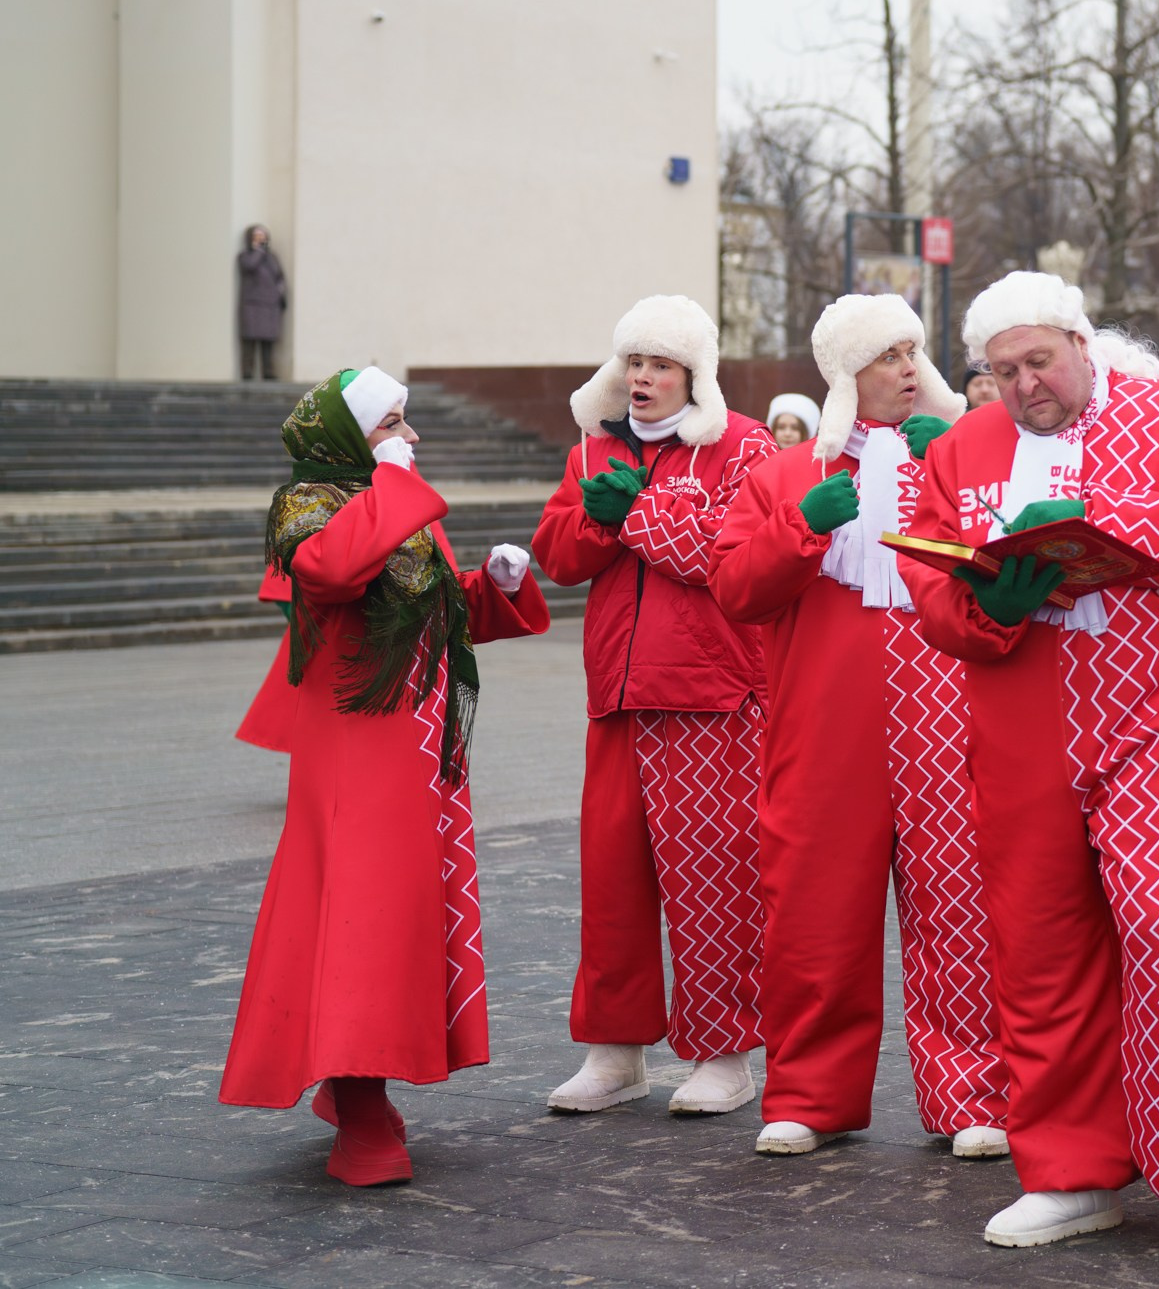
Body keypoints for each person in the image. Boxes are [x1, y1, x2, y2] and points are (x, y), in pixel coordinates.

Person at [899, 271, 1159, 1265]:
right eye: (1003, 370)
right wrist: (995, 603)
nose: (1024, 384)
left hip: (1156, 715)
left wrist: (1097, 525)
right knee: (1038, 949)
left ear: (1080, 343)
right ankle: (1069, 1171)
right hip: (1022, 726)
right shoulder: (963, 449)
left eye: (1039, 361)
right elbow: (932, 589)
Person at [220, 368, 549, 1184]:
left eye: (407, 419)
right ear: (347, 434)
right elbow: (333, 573)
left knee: (399, 921)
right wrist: (395, 486)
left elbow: (433, 607)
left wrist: (496, 587)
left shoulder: (388, 505)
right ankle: (359, 1107)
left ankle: (356, 1084)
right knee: (359, 925)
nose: (410, 436)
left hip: (419, 754)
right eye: (391, 421)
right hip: (356, 756)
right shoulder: (311, 506)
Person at [708, 296, 1006, 1158]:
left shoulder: (956, 460)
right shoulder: (788, 471)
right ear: (846, 373)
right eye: (887, 355)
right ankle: (809, 1092)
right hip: (824, 719)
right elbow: (734, 590)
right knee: (813, 902)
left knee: (958, 895)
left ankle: (975, 1091)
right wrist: (805, 524)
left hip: (945, 712)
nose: (909, 368)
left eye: (914, 351)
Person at [532, 295, 777, 1119]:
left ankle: (723, 1051)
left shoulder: (743, 445)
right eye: (634, 360)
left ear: (694, 373)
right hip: (619, 694)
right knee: (613, 882)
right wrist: (605, 521)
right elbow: (558, 554)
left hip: (711, 695)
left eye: (660, 363)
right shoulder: (596, 445)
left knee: (713, 879)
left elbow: (733, 558)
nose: (642, 377)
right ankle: (615, 1049)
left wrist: (633, 513)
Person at [237, 225, 288, 381]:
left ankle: (268, 372)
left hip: (270, 304)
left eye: (263, 235)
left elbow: (278, 275)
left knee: (268, 341)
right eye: (257, 235)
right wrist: (258, 251)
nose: (261, 238)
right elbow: (249, 266)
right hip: (252, 304)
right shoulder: (245, 256)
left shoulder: (272, 257)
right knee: (250, 340)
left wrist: (280, 293)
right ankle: (247, 372)